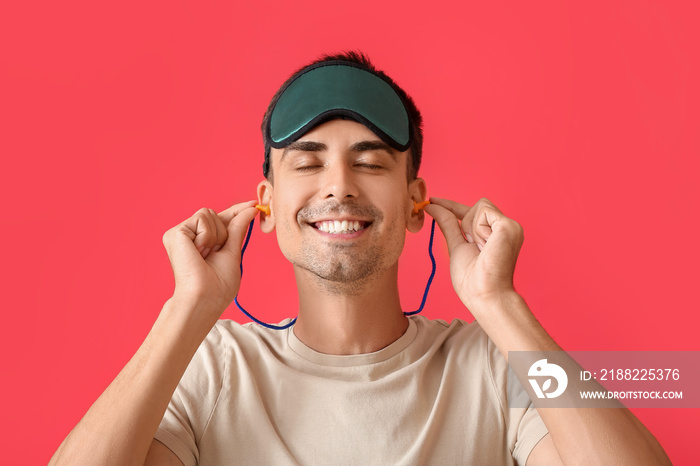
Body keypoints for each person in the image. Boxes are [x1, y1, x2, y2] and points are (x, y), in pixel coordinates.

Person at [50, 52, 671, 465]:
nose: (339, 185)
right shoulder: (213, 371)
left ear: (413, 203)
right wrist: (187, 309)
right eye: (309, 161)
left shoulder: (493, 366)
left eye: (371, 162)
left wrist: (500, 305)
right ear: (265, 203)